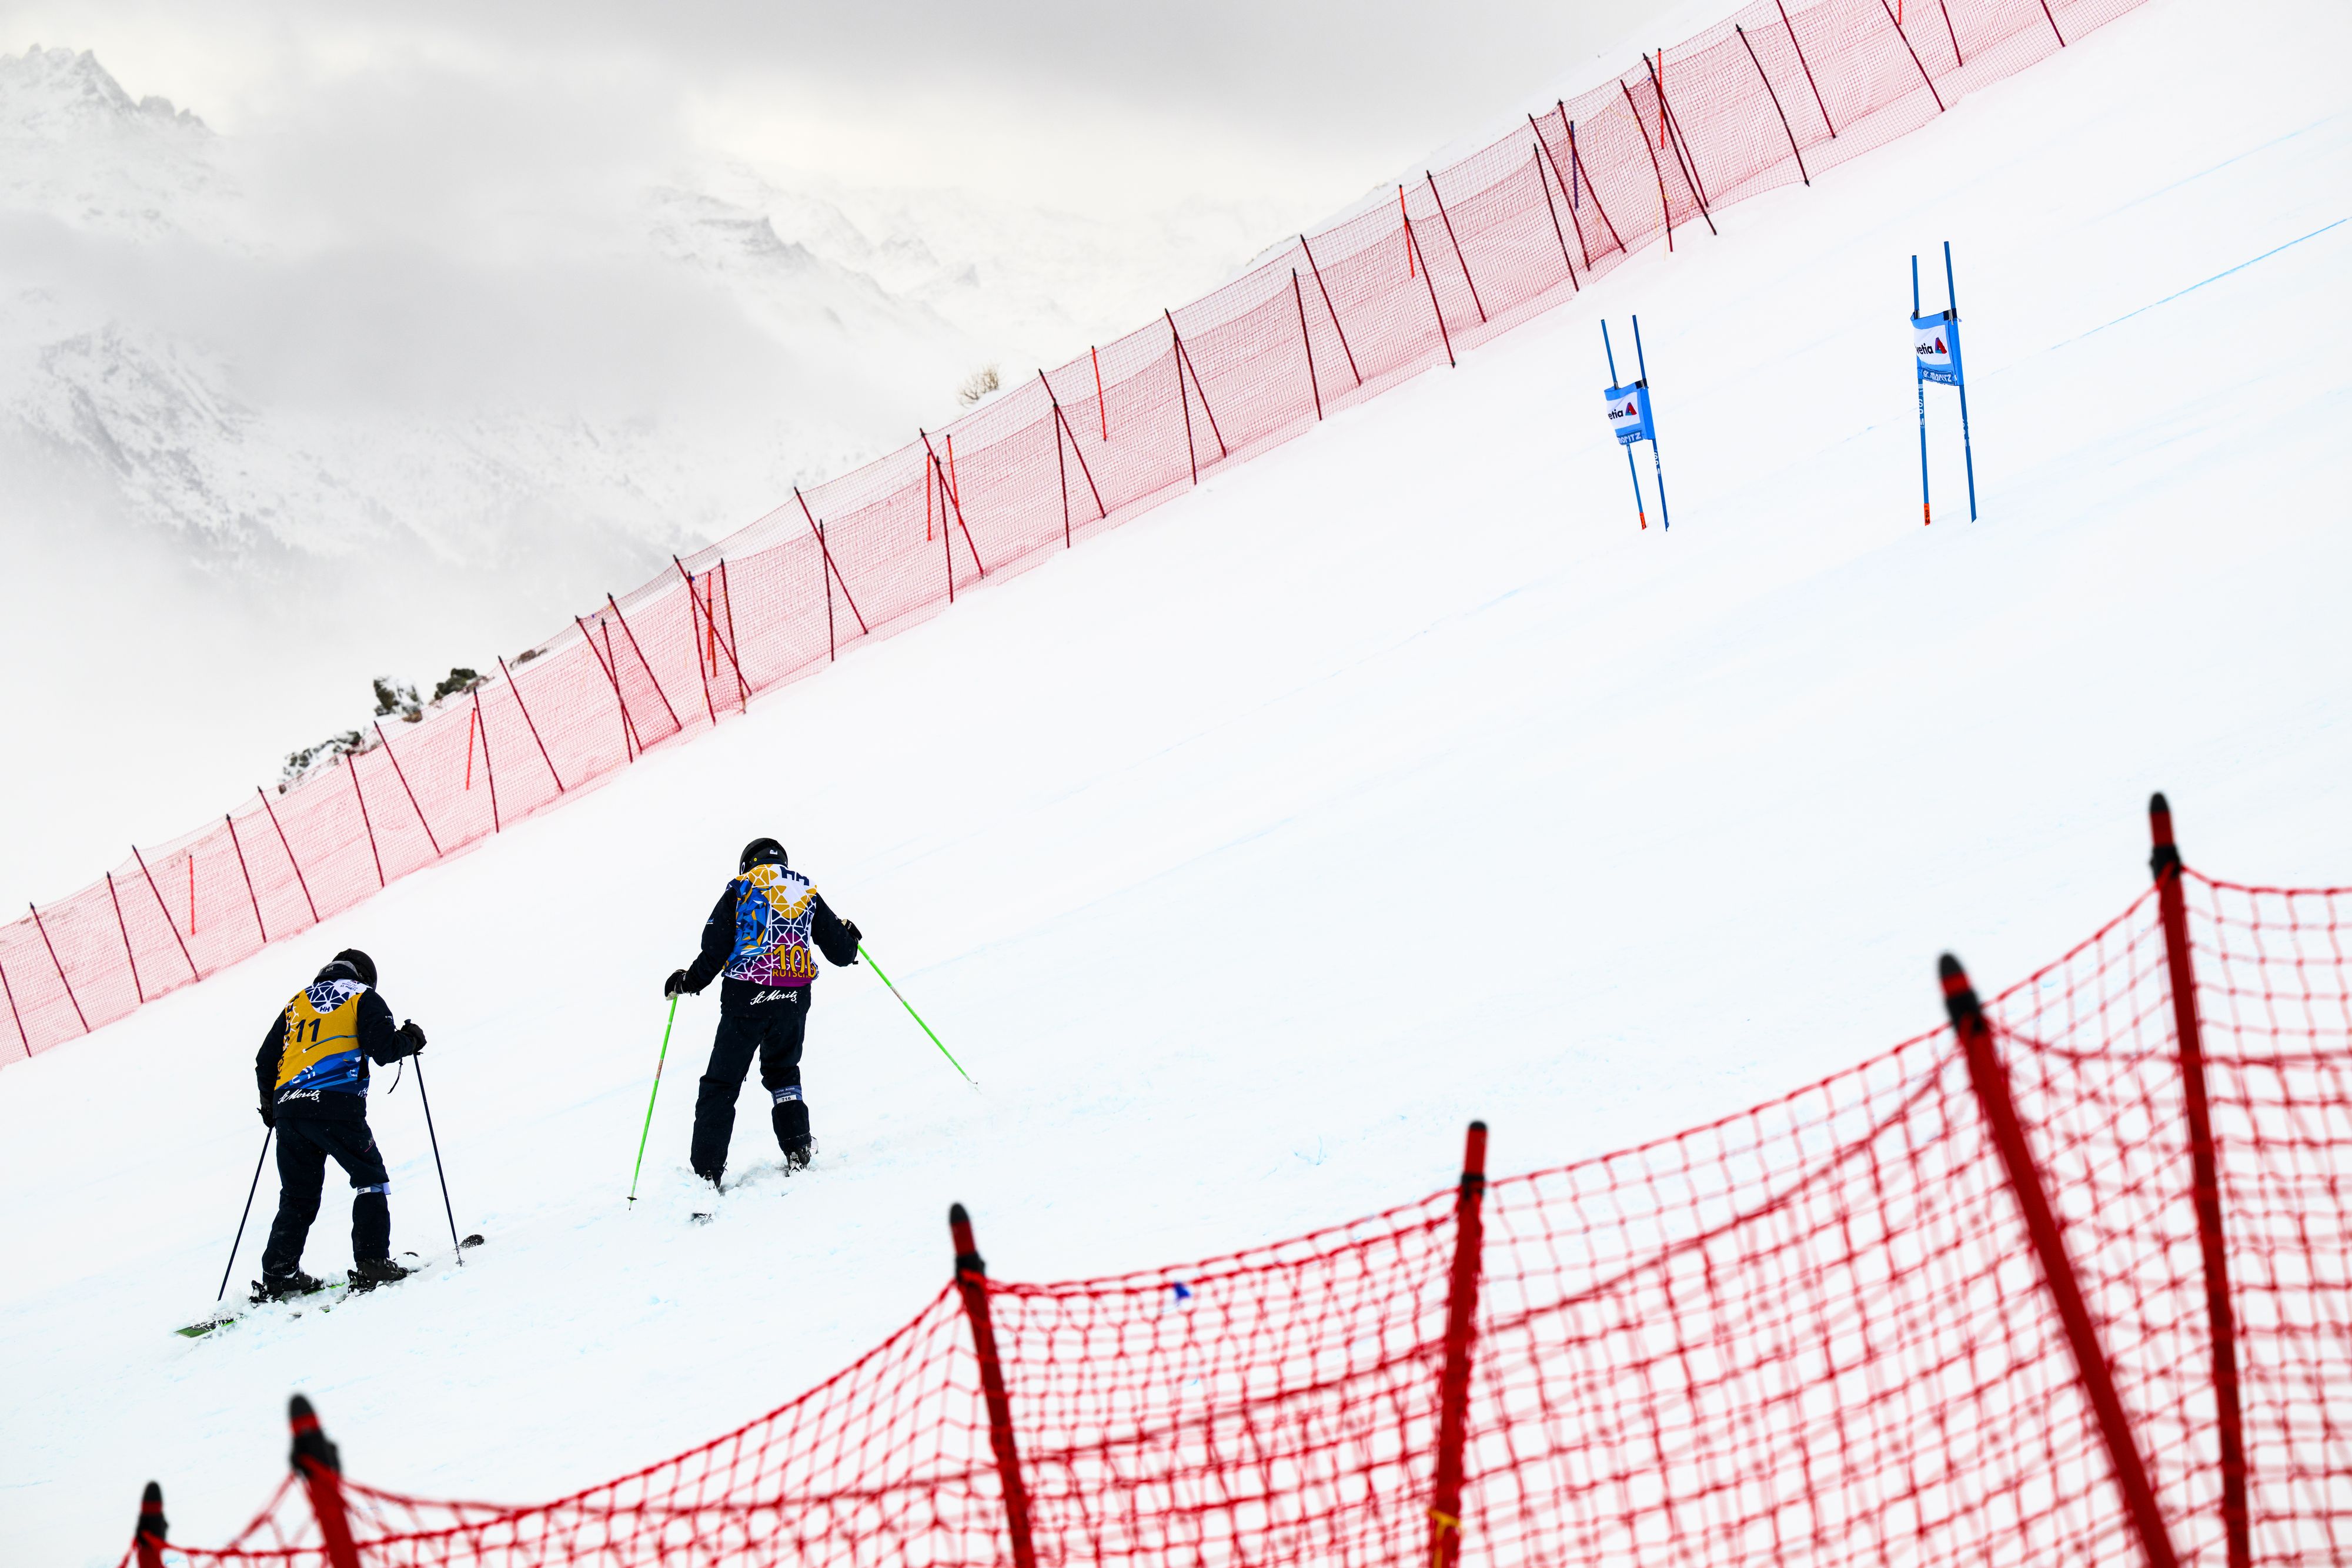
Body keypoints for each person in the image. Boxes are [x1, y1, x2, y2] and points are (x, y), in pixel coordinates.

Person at [665, 838, 860, 1186]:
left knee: (721, 1083)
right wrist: (850, 937)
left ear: (746, 865)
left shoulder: (742, 888)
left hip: (747, 1000)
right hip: (794, 1001)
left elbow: (716, 947)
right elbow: (842, 953)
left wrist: (688, 982)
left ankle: (707, 1174)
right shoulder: (804, 891)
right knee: (784, 1073)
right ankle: (798, 1149)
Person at [252, 949, 426, 1298]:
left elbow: (264, 1060)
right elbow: (383, 1050)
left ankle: (279, 1275)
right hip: (337, 1105)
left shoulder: (296, 1003)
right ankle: (372, 1262)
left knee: (298, 1197)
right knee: (370, 1179)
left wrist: (270, 1105)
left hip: (290, 1110)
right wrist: (411, 1039)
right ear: (366, 977)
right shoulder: (362, 996)